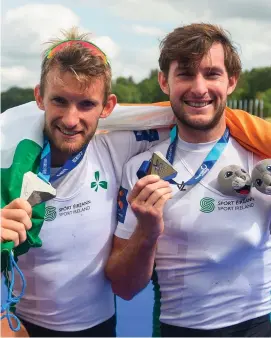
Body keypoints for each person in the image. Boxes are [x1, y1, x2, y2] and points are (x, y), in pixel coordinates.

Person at [0, 27, 171, 337]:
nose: (70, 119)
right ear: (39, 97)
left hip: (100, 329)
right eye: (60, 101)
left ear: (108, 107)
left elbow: (196, 124)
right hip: (20, 327)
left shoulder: (117, 149)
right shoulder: (6, 160)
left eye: (86, 105)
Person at [105, 23, 271, 337]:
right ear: (164, 82)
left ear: (231, 82)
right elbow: (124, 287)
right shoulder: (142, 169)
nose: (198, 87)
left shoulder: (260, 155)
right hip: (181, 328)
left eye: (212, 74)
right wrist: (147, 231)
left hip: (260, 325)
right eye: (185, 74)